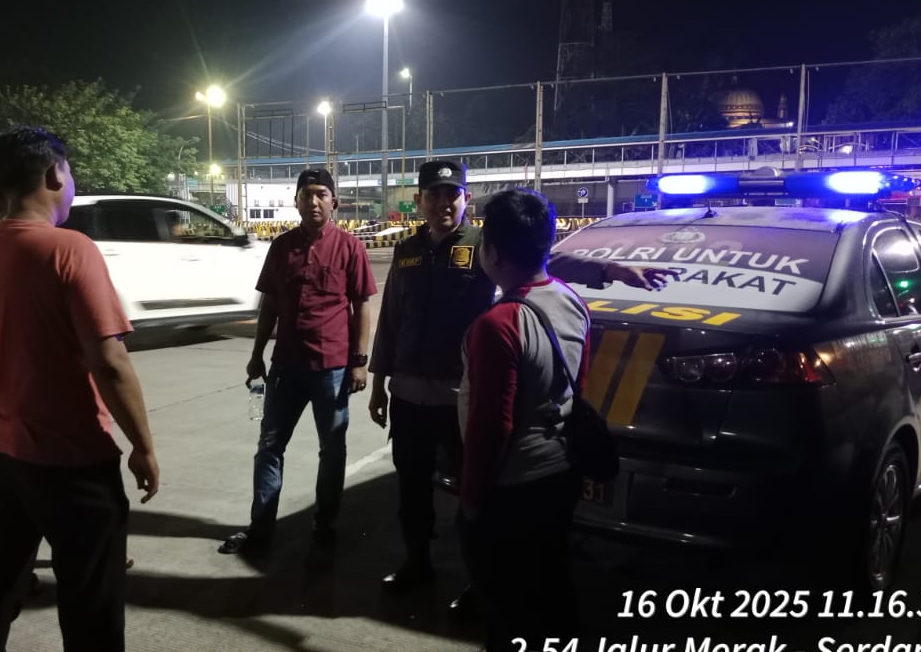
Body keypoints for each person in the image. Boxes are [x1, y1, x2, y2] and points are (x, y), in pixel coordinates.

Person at [0, 126, 176, 652]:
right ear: (53, 176)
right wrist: (143, 445)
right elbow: (110, 361)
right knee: (91, 601)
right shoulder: (70, 250)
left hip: (3, 455)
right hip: (72, 461)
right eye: (69, 173)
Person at [369, 160, 672, 603]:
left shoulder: (485, 244)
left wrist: (610, 270)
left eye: (452, 195)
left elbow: (544, 257)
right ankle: (417, 563)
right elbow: (392, 318)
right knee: (411, 488)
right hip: (409, 393)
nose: (443, 204)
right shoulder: (406, 250)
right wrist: (378, 380)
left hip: (460, 394)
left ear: (466, 200)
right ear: (419, 200)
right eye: (433, 195)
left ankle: (479, 583)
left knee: (476, 491)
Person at [442, 186, 589, 652]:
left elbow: (490, 428)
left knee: (509, 624)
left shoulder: (498, 324)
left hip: (512, 490)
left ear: (494, 252)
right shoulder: (569, 301)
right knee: (552, 602)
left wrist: (472, 501)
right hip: (558, 475)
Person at [220, 168, 377, 554]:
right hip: (285, 367)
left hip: (332, 369)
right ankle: (261, 528)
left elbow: (362, 306)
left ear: (334, 201)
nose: (314, 201)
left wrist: (359, 362)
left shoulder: (350, 248)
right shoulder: (282, 247)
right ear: (296, 202)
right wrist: (256, 355)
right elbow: (270, 304)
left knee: (332, 450)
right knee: (270, 446)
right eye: (306, 195)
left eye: (321, 194)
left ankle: (324, 525)